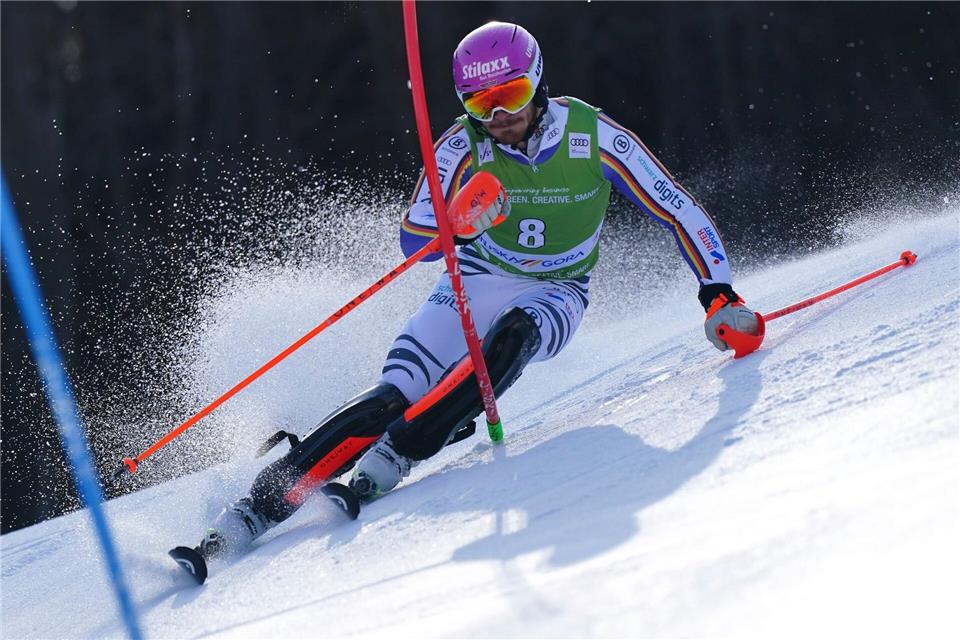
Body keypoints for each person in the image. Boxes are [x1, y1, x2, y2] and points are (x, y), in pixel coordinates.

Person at [194, 21, 759, 559]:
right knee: (392, 395)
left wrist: (719, 294)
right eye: (481, 103)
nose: (500, 115)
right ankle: (255, 510)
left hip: (556, 286)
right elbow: (412, 240)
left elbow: (677, 208)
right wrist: (457, 225)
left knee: (515, 334)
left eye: (511, 94)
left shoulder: (593, 136)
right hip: (476, 277)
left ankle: (400, 452)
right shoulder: (461, 145)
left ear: (538, 79)